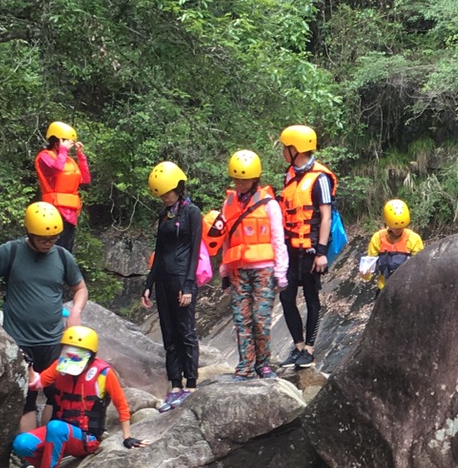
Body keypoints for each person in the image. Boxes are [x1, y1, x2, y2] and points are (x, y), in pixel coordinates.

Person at [0, 202, 89, 433]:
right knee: (27, 399)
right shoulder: (10, 251)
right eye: (44, 239)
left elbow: (80, 288)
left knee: (56, 396)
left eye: (53, 238)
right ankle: (29, 456)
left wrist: (75, 312)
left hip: (53, 341)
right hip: (19, 340)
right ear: (30, 233)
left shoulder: (63, 257)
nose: (49, 243)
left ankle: (50, 445)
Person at [12, 324, 145, 468]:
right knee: (21, 443)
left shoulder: (103, 373)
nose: (72, 354)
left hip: (86, 437)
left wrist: (128, 437)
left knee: (55, 427)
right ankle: (46, 465)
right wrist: (30, 367)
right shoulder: (60, 365)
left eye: (78, 351)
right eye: (69, 349)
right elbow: (36, 384)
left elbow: (122, 405)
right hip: (59, 432)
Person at [209, 150, 287, 380]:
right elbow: (225, 239)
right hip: (237, 269)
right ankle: (245, 365)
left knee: (260, 319)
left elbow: (278, 238)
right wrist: (224, 269)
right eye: (236, 179)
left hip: (264, 268)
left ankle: (263, 364)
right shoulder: (229, 203)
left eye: (244, 179)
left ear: (255, 178)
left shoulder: (269, 204)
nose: (240, 183)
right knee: (241, 319)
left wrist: (281, 272)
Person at [141, 160, 203, 409]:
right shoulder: (164, 215)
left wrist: (188, 286)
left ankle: (191, 383)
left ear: (178, 187)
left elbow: (195, 251)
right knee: (169, 333)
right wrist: (148, 284)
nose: (164, 197)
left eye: (167, 192)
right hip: (164, 280)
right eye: (161, 194)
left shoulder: (191, 212)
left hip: (182, 279)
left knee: (185, 331)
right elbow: (159, 251)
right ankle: (174, 383)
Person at [277, 124, 334, 368]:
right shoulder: (290, 175)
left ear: (295, 149)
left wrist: (321, 252)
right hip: (291, 249)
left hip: (311, 250)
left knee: (312, 299)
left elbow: (326, 216)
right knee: (286, 297)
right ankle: (298, 347)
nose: (282, 152)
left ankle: (309, 350)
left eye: (285, 148)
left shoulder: (319, 178)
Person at [35, 120, 91, 252]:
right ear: (57, 141)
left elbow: (86, 179)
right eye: (66, 142)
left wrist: (81, 156)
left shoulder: (69, 160)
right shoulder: (44, 157)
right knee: (55, 249)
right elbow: (56, 168)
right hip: (53, 210)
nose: (69, 145)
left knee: (66, 251)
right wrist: (63, 150)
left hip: (70, 213)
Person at [360, 198, 423, 290]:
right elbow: (369, 267)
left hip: (407, 288)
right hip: (385, 289)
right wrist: (365, 274)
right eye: (395, 228)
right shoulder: (378, 238)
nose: (398, 230)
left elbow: (421, 266)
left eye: (401, 227)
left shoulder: (413, 239)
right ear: (388, 224)